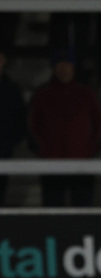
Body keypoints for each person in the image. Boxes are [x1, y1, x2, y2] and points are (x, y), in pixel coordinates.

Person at [29, 48, 101, 207]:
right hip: (51, 164)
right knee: (52, 208)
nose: (64, 69)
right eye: (60, 65)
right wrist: (43, 150)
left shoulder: (87, 93)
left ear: (74, 67)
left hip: (82, 163)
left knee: (83, 208)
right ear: (53, 68)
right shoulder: (42, 95)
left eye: (68, 65)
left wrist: (90, 149)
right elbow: (31, 125)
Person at [0, 48, 26, 206]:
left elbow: (20, 120)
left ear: (3, 60)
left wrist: (8, 143)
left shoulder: (12, 90)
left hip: (3, 152)